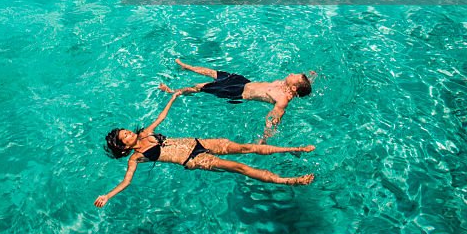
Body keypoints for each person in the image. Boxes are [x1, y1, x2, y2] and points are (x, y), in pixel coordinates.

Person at [94, 91, 315, 208]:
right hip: (193, 159)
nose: (130, 134)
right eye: (126, 136)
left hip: (199, 142)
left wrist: (173, 96)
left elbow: (161, 116)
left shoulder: (145, 133)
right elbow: (127, 181)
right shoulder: (136, 158)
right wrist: (107, 195)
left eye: (127, 131)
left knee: (246, 147)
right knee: (239, 166)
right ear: (124, 147)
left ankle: (293, 149)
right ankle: (289, 181)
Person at [159, 57, 315, 143]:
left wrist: (265, 138)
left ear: (293, 89)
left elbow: (274, 118)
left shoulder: (283, 99)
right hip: (243, 81)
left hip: (237, 92)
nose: (292, 73)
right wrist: (311, 77)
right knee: (214, 73)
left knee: (200, 86)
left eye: (296, 76)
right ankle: (187, 67)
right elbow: (304, 87)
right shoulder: (284, 84)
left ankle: (173, 92)